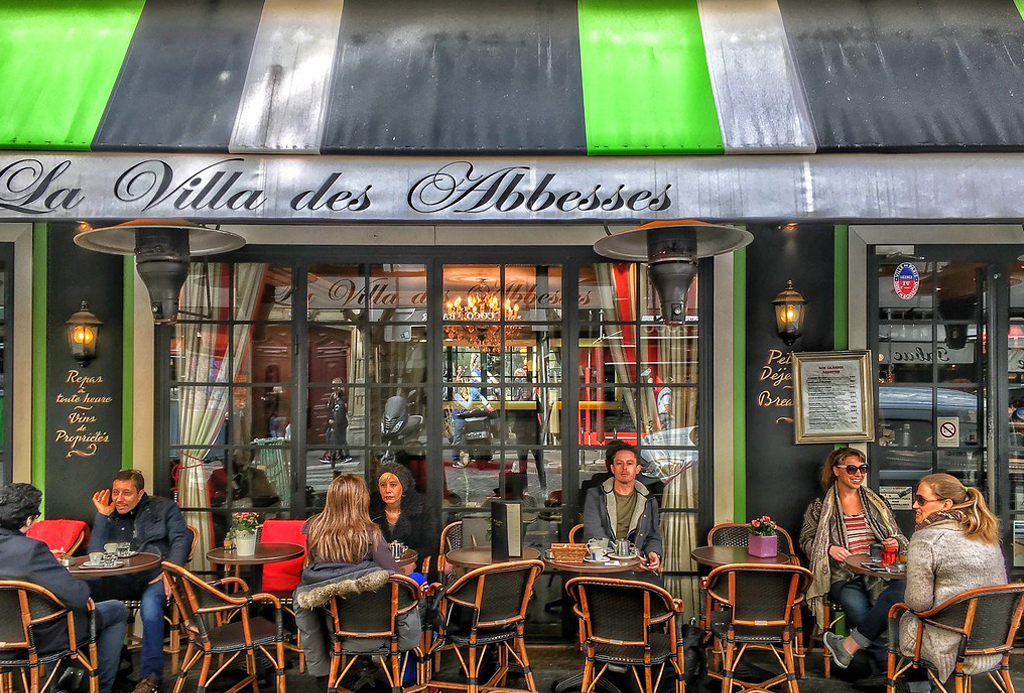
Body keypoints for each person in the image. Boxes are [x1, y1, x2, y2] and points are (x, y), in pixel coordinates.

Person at [824, 474, 1006, 691]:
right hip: (992, 640)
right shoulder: (985, 535)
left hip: (950, 644)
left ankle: (911, 682)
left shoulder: (927, 538)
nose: (914, 505)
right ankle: (852, 649)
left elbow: (919, 603)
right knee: (899, 592)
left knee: (901, 609)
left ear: (946, 504)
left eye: (921, 500)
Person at [294, 474, 420, 687]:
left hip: (336, 630)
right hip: (380, 631)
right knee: (413, 586)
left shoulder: (315, 530)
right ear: (361, 500)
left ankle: (325, 676)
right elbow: (393, 573)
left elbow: (315, 571)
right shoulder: (370, 533)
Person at [0, 483, 128, 693]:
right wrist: (55, 569)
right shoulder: (32, 550)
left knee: (49, 613)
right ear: (29, 520)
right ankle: (100, 688)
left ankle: (60, 686)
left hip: (5, 641)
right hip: (38, 639)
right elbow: (78, 596)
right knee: (116, 610)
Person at [800, 447, 908, 668]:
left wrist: (894, 542)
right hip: (843, 575)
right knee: (859, 611)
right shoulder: (820, 507)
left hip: (879, 573)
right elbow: (805, 542)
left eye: (862, 469)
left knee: (897, 609)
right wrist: (828, 549)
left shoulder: (875, 502)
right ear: (836, 471)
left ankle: (862, 659)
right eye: (851, 469)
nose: (858, 474)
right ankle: (888, 667)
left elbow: (897, 534)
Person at [87, 470, 191, 693]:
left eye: (126, 493)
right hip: (119, 579)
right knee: (87, 596)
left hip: (155, 578)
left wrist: (170, 570)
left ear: (140, 492)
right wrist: (103, 516)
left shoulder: (163, 508)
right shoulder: (110, 513)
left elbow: (182, 538)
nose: (119, 499)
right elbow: (94, 552)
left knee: (151, 610)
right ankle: (105, 670)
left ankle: (150, 678)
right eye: (116, 492)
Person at [583, 442, 662, 572]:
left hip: (638, 564)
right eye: (619, 463)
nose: (624, 468)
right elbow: (594, 534)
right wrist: (625, 562)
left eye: (629, 463)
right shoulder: (596, 495)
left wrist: (654, 554)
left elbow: (653, 536)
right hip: (604, 565)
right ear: (612, 468)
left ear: (637, 469)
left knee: (656, 589)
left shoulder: (648, 499)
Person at [369, 462, 438, 577]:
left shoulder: (422, 508)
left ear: (403, 486)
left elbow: (430, 545)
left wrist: (409, 560)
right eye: (383, 485)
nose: (387, 490)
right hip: (378, 572)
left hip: (415, 569)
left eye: (393, 485)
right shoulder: (371, 508)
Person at [510, 365, 546, 494]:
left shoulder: (521, 399)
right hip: (529, 434)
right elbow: (541, 413)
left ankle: (538, 489)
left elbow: (540, 413)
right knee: (527, 464)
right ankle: (532, 489)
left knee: (533, 464)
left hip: (529, 434)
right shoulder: (527, 399)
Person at [450, 359, 490, 469]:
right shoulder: (456, 393)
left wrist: (487, 405)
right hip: (459, 417)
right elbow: (466, 404)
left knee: (471, 436)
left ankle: (472, 456)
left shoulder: (470, 390)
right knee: (457, 439)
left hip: (469, 416)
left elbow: (479, 396)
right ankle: (455, 460)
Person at [320, 378, 350, 464]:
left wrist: (334, 424)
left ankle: (341, 455)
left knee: (340, 439)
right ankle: (339, 455)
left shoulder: (341, 399)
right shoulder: (333, 396)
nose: (332, 387)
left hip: (339, 423)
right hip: (334, 421)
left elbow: (339, 412)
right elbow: (330, 408)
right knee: (334, 438)